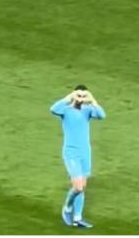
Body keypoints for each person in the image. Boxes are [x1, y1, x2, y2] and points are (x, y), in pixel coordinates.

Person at [50, 85, 106, 228]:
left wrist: (92, 99)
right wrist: (68, 97)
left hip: (85, 152)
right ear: (74, 95)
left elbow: (102, 115)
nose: (81, 99)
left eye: (83, 96)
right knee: (78, 187)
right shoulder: (66, 110)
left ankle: (77, 218)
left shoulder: (87, 110)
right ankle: (67, 208)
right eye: (78, 95)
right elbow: (53, 109)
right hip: (71, 152)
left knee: (83, 186)